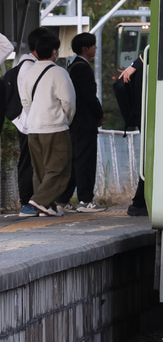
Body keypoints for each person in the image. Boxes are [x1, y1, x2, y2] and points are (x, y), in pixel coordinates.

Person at [20, 31, 75, 217]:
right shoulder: (59, 72)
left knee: (40, 170)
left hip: (33, 128)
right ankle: (39, 202)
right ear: (54, 52)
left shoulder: (28, 72)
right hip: (55, 127)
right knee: (61, 169)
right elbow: (68, 102)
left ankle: (48, 208)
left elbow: (26, 101)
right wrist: (65, 119)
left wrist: (34, 118)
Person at [13, 27, 58, 216]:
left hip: (32, 122)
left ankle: (37, 202)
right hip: (29, 123)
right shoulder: (29, 67)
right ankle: (27, 203)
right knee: (29, 163)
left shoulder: (28, 64)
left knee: (36, 163)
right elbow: (27, 99)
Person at [60, 33, 104, 210]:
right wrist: (99, 114)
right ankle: (85, 199)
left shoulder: (73, 67)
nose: (95, 49)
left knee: (74, 160)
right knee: (85, 160)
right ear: (85, 48)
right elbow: (89, 97)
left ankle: (63, 198)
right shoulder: (83, 68)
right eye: (93, 46)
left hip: (74, 122)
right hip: (84, 122)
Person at [117, 57, 147, 216]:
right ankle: (140, 201)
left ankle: (141, 201)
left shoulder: (142, 63)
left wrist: (136, 64)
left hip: (144, 117)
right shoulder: (146, 61)